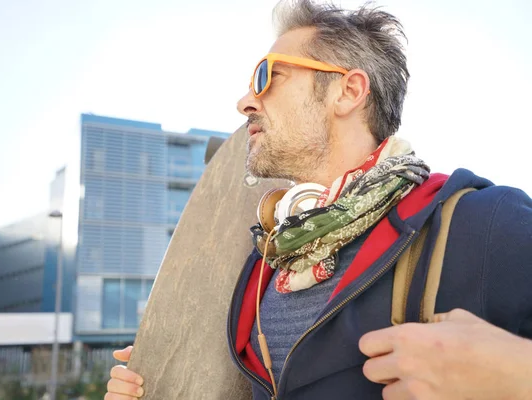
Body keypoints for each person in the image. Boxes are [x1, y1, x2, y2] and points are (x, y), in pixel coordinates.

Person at [105, 1, 532, 399]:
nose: (245, 102)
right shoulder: (263, 261)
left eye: (268, 76)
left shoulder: (481, 223)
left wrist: (517, 375)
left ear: (347, 92)